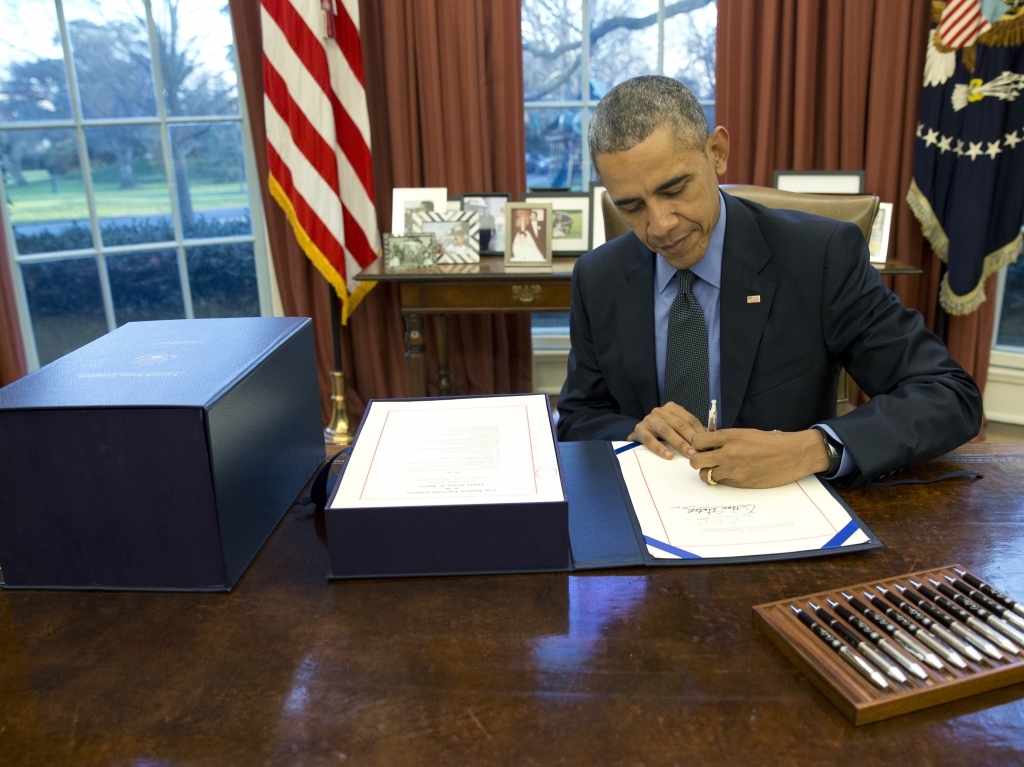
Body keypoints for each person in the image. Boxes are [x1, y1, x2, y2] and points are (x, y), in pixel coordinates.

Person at [556, 76, 982, 490]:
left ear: (717, 152)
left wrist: (811, 449)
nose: (660, 226)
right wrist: (634, 431)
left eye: (675, 189)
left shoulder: (819, 258)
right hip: (651, 511)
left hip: (788, 511)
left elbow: (948, 397)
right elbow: (580, 415)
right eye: (631, 206)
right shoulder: (599, 277)